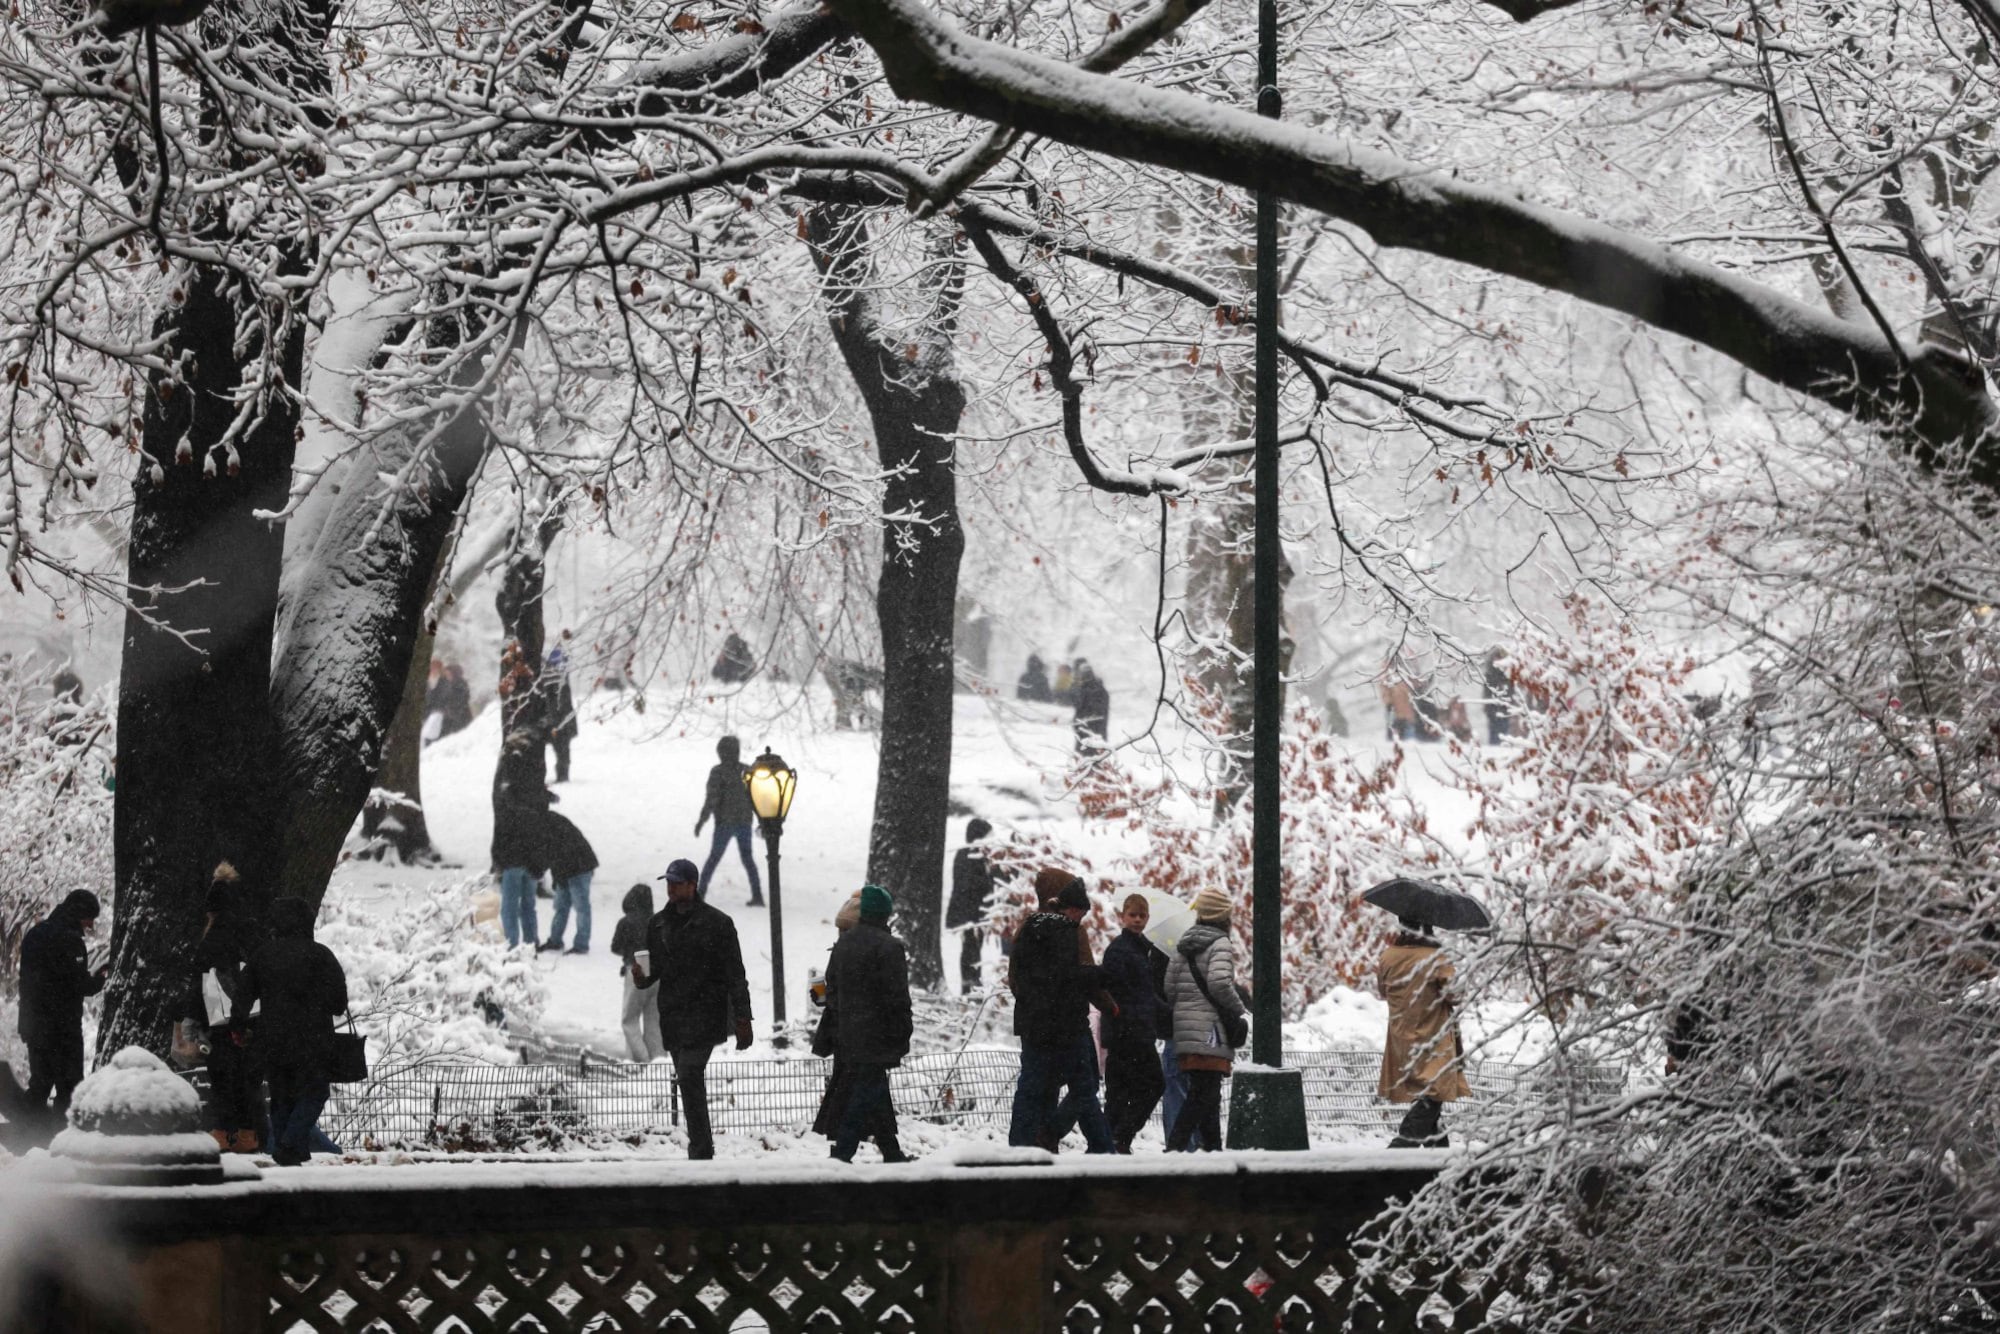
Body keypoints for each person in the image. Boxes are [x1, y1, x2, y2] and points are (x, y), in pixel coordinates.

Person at [638, 858, 753, 1159]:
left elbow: (735, 974)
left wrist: (743, 1017)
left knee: (689, 1073)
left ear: (693, 885)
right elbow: (655, 969)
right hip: (674, 1016)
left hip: (706, 1013)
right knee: (688, 1079)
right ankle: (701, 1145)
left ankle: (700, 1149)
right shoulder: (658, 924)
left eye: (677, 883)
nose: (671, 889)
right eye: (669, 883)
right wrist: (642, 977)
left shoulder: (718, 923)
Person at [231, 897, 348, 1166]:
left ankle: (288, 1151)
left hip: (272, 1039)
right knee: (315, 1092)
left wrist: (238, 1026)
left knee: (281, 1095)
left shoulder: (263, 955)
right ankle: (290, 1143)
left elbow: (243, 995)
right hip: (314, 1040)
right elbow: (338, 1003)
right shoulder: (321, 956)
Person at [1006, 869, 1115, 1154]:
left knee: (1033, 1086)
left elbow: (1015, 977)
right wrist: (1109, 1002)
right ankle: (1097, 1146)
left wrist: (1034, 1005)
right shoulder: (1070, 930)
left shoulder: (1027, 927)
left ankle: (1023, 1144)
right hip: (1066, 1024)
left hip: (1033, 1023)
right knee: (1085, 1084)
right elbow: (1077, 976)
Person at [817, 885, 914, 1163]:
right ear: (886, 913)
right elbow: (897, 997)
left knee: (874, 1090)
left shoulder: (844, 944)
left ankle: (891, 1151)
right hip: (879, 1034)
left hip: (848, 1033)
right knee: (865, 1092)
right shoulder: (891, 947)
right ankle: (844, 1151)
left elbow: (831, 988)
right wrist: (903, 1029)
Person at [1164, 887, 1249, 1152]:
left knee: (1206, 1091)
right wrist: (1238, 1009)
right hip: (1211, 1029)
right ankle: (1176, 1146)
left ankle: (1213, 1148)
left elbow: (1169, 987)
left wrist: (1187, 1011)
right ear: (1224, 915)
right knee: (1203, 1093)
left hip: (1186, 1029)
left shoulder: (1184, 944)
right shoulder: (1220, 943)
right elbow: (1220, 984)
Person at [191, 863, 267, 1152]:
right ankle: (249, 1133)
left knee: (222, 1079)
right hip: (251, 1017)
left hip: (218, 1020)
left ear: (212, 911)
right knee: (248, 1079)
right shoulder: (251, 934)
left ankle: (223, 1131)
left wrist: (192, 1017)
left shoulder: (210, 940)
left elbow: (197, 984)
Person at [1377, 916, 1470, 1148]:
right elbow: (1455, 995)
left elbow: (1383, 991)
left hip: (1401, 1037)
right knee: (1435, 1093)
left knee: (1430, 1096)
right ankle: (1401, 1147)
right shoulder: (1436, 958)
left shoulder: (1388, 956)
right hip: (1433, 1038)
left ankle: (1438, 1157)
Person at [17, 890, 108, 1127]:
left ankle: (24, 1136)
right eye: (89, 917)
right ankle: (62, 1139)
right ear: (79, 913)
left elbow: (28, 981)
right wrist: (101, 979)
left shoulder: (35, 934)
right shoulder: (70, 941)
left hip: (34, 1023)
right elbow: (77, 984)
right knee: (70, 1087)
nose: (90, 924)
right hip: (63, 1028)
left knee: (40, 1083)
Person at [1100, 893, 1171, 1153]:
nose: (1138, 920)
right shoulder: (1122, 950)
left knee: (1120, 1091)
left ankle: (1111, 1141)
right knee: (1152, 1084)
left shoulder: (1136, 950)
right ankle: (1119, 1137)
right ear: (1123, 917)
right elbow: (1123, 992)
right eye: (1133, 915)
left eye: (1142, 915)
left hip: (1129, 1030)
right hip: (1130, 1031)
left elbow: (1143, 994)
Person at [491, 729, 551, 949]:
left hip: (512, 857)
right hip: (532, 857)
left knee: (509, 906)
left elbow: (502, 828)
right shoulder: (535, 787)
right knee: (529, 904)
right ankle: (530, 942)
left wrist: (497, 858)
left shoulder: (507, 793)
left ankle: (511, 944)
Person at [695, 736, 763, 906]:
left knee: (713, 859)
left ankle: (700, 894)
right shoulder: (747, 772)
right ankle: (758, 895)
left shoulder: (718, 772)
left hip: (724, 823)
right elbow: (757, 799)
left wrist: (702, 820)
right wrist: (762, 820)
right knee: (748, 859)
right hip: (744, 822)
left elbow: (711, 799)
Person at [945, 818, 999, 993]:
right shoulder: (970, 855)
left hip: (972, 910)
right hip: (970, 911)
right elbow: (969, 884)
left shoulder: (975, 855)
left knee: (973, 947)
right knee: (971, 948)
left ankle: (971, 984)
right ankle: (970, 985)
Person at [613, 884, 666, 1062]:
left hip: (637, 966)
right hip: (658, 970)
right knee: (654, 1021)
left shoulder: (626, 922)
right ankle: (659, 1059)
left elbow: (615, 947)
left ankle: (641, 1060)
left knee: (630, 1019)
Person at [537, 808, 597, 954]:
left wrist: (547, 873)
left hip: (579, 868)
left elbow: (555, 853)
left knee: (581, 908)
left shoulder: (547, 827)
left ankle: (581, 945)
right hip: (568, 869)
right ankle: (555, 940)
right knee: (561, 907)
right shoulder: (548, 822)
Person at [544, 644, 579, 783]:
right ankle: (562, 775)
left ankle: (562, 775)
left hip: (557, 720)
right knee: (563, 751)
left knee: (562, 750)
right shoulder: (559, 679)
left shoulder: (552, 679)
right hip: (560, 720)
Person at [1071, 660, 1110, 752]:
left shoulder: (1086, 691)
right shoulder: (1100, 690)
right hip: (1097, 734)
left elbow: (1081, 711)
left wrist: (1078, 725)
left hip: (1087, 733)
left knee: (1085, 760)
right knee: (1097, 760)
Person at [1483, 647, 1514, 744]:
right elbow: (1487, 692)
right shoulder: (1490, 674)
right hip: (1492, 707)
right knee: (1494, 731)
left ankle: (1502, 746)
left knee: (1503, 730)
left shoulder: (1508, 675)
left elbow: (1511, 691)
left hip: (1505, 707)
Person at [433, 662, 473, 737]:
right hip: (449, 718)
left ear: (455, 674)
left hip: (461, 717)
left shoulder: (461, 685)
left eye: (449, 674)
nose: (448, 676)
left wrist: (449, 709)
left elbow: (461, 701)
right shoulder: (446, 684)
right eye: (447, 674)